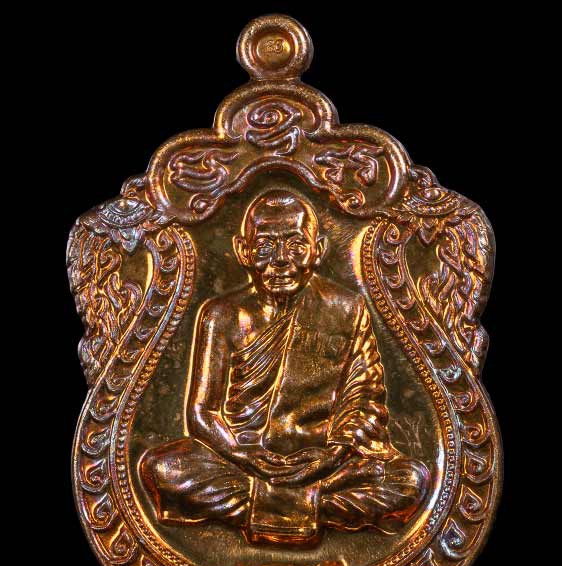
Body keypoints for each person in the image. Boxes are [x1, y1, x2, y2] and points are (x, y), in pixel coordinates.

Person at [140, 189, 429, 546]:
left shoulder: (347, 308)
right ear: (243, 251)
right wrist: (243, 455)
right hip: (243, 460)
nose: (280, 260)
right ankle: (315, 509)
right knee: (163, 468)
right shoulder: (222, 314)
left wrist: (332, 454)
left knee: (409, 480)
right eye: (265, 246)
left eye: (295, 245)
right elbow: (202, 412)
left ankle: (267, 507)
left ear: (317, 250)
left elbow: (364, 400)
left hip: (322, 463)